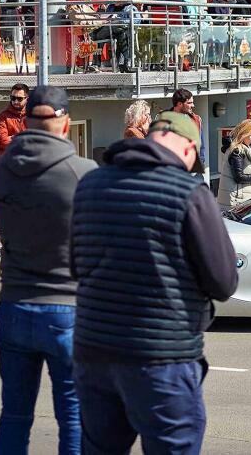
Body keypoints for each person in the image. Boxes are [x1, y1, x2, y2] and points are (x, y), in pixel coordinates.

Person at [71, 111, 238, 454]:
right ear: (189, 148)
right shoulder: (189, 192)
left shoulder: (90, 185)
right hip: (162, 357)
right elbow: (223, 282)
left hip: (94, 352)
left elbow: (76, 265)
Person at [0, 86, 96, 455]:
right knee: (73, 416)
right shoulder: (83, 173)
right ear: (65, 122)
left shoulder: (1, 169)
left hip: (15, 303)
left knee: (14, 416)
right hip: (67, 305)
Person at [216, 119, 251, 210]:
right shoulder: (237, 150)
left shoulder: (239, 148)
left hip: (238, 197)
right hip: (237, 200)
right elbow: (238, 177)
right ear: (245, 134)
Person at [171, 89, 205, 171]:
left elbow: (201, 146)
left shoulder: (197, 120)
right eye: (189, 103)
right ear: (179, 104)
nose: (193, 105)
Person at [0, 83, 28, 156]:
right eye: (13, 98)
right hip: (8, 161)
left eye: (19, 99)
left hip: (28, 161)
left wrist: (12, 138)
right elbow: (2, 141)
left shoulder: (32, 115)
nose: (16, 101)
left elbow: (37, 140)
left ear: (27, 98)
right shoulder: (3, 116)